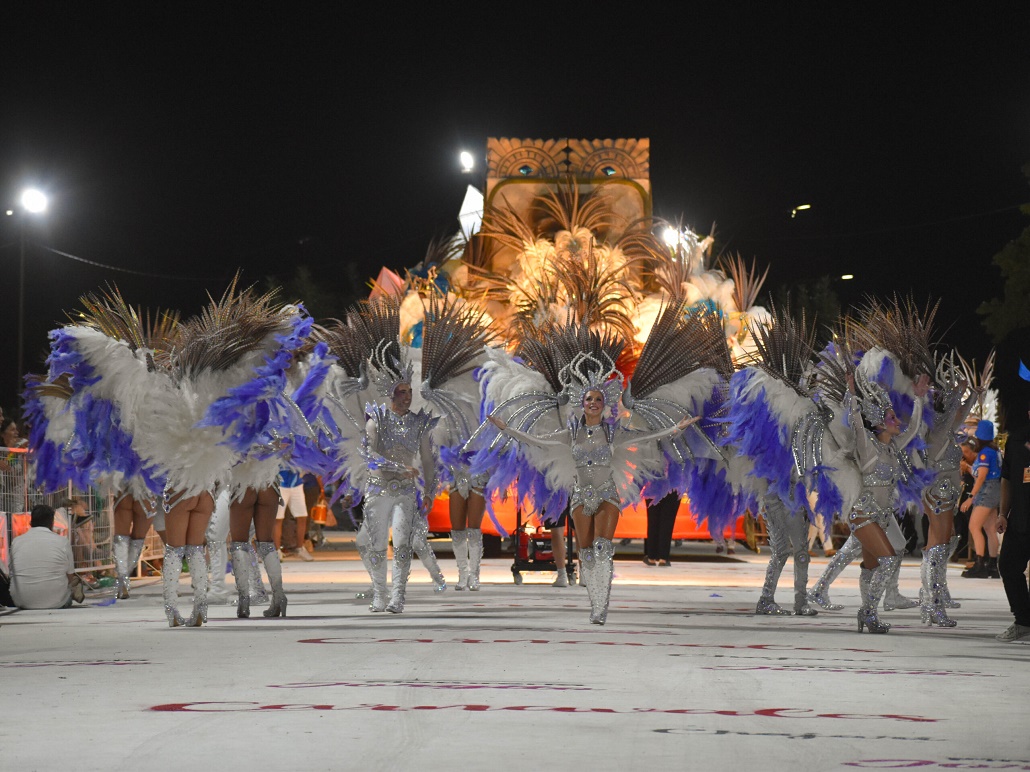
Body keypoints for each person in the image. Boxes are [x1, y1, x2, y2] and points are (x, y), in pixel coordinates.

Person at [996, 398, 1030, 642]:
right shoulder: (1016, 440)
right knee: (1008, 565)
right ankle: (1023, 620)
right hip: (1020, 517)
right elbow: (1006, 478)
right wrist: (1002, 513)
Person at [9, 504, 84, 609]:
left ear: (31, 521)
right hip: (55, 601)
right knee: (70, 588)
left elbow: (11, 572)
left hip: (21, 601)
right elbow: (70, 576)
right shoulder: (62, 542)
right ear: (52, 523)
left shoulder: (16, 542)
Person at [960, 420, 1002, 579]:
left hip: (987, 491)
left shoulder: (985, 453)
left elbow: (982, 477)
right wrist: (969, 468)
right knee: (990, 529)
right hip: (994, 490)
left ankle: (980, 564)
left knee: (974, 526)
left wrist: (970, 497)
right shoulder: (994, 451)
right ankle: (992, 565)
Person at [274, 466, 314, 562]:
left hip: (296, 484)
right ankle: (276, 551)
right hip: (280, 483)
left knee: (302, 516)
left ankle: (300, 548)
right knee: (278, 518)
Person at [644, 492, 679, 567]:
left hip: (653, 488)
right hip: (673, 488)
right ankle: (663, 558)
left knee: (653, 520)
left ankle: (651, 557)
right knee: (667, 522)